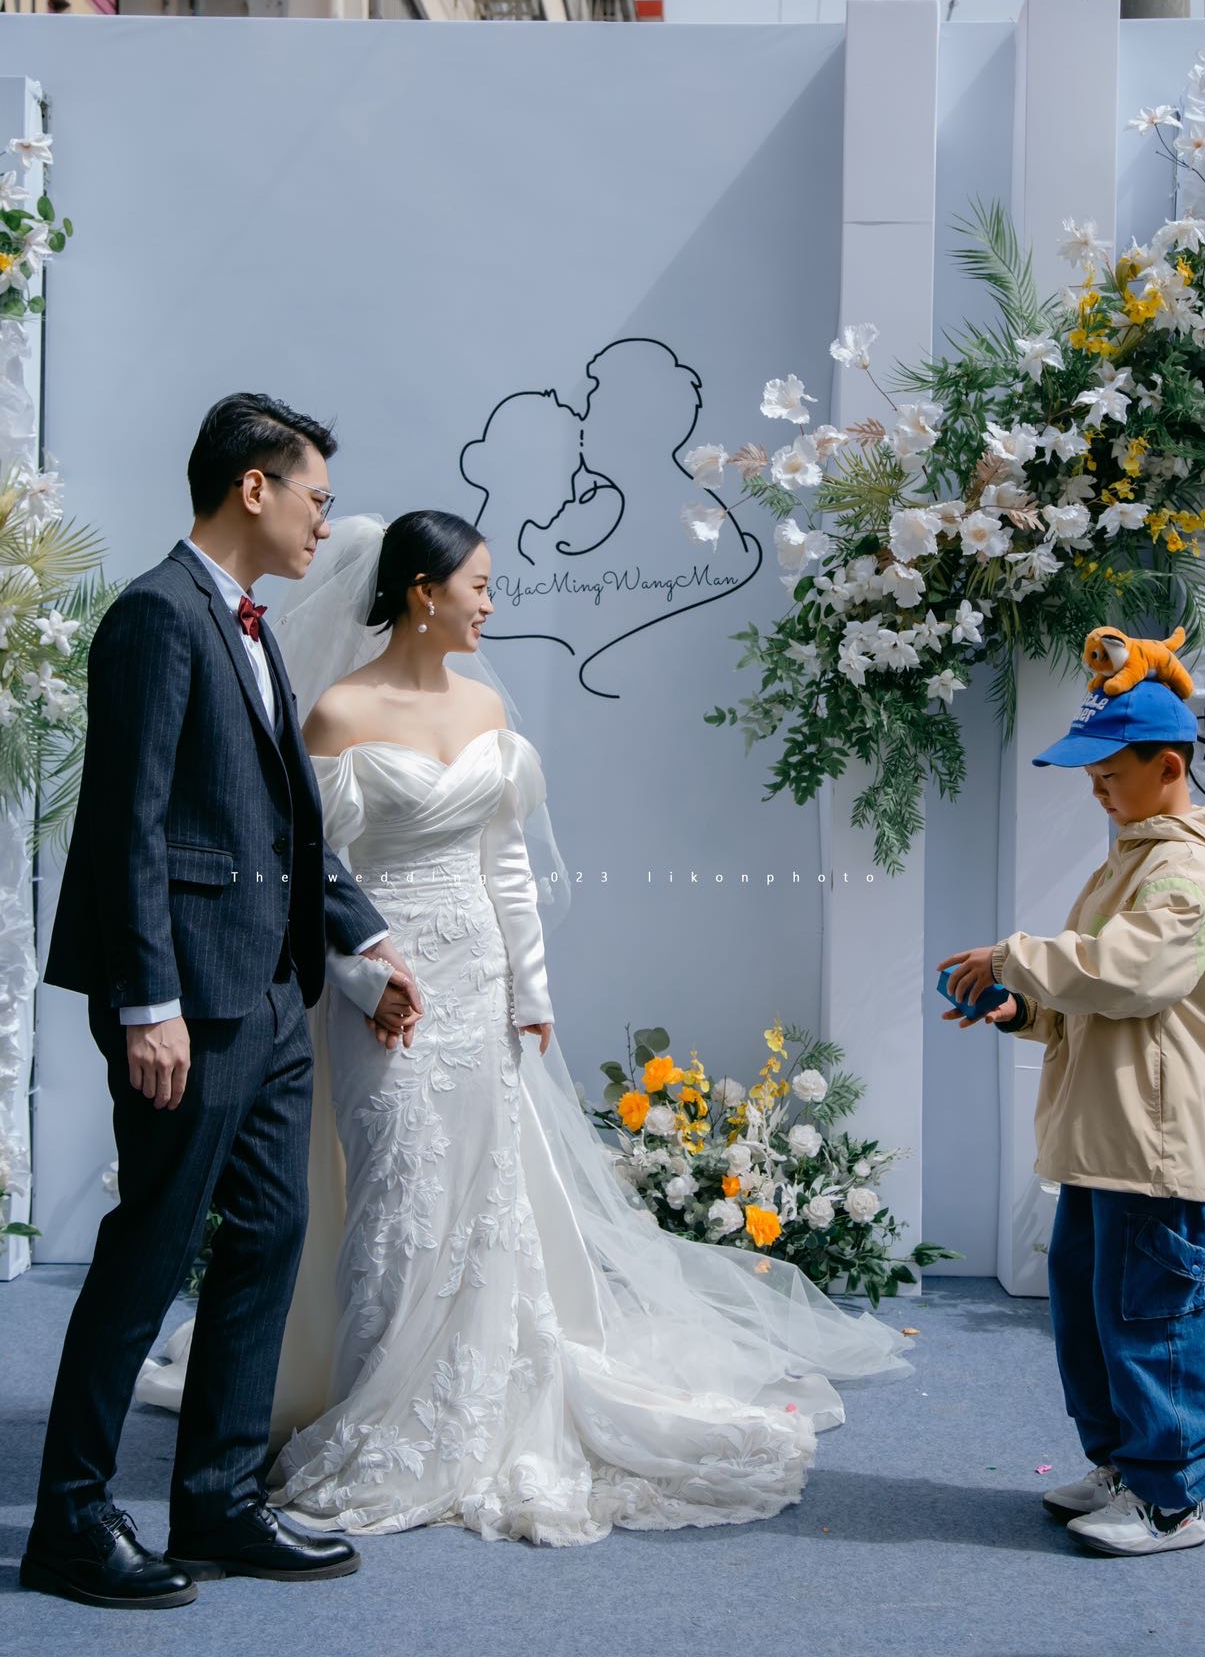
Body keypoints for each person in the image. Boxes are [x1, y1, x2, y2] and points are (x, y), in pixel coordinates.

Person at [141, 509, 914, 1547]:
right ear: (424, 593)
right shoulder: (337, 712)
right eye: (479, 586)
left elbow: (506, 865)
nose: (491, 605)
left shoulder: (487, 708)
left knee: (488, 1197)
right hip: (387, 993)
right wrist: (363, 980)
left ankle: (482, 1394)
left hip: (479, 984)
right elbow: (306, 878)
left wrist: (531, 997)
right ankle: (384, 1402)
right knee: (399, 1194)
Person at [21, 397, 422, 1611]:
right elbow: (128, 825)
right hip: (186, 1004)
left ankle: (219, 1502)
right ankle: (71, 1524)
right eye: (315, 498)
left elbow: (281, 823)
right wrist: (148, 1003)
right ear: (254, 487)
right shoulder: (157, 614)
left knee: (267, 1239)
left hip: (269, 995)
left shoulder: (247, 624)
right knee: (149, 1254)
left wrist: (364, 936)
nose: (325, 523)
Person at [939, 653, 1205, 1558]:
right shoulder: (1134, 858)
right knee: (1094, 1308)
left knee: (1156, 1315)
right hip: (1109, 1134)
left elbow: (1138, 973)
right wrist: (1025, 1009)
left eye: (1111, 774)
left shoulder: (1184, 869)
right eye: (1093, 777)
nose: (1098, 791)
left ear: (1169, 766)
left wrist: (1014, 958)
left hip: (1152, 1143)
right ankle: (1122, 1466)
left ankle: (1169, 1499)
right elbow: (1105, 1001)